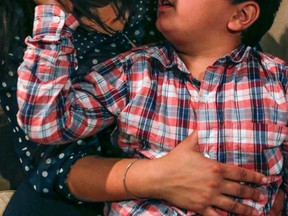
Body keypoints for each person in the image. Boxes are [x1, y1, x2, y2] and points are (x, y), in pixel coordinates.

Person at [1, 0, 273, 215]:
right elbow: (45, 129)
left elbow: (224, 34)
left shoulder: (273, 79)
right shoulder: (134, 68)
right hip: (90, 184)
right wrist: (51, 17)